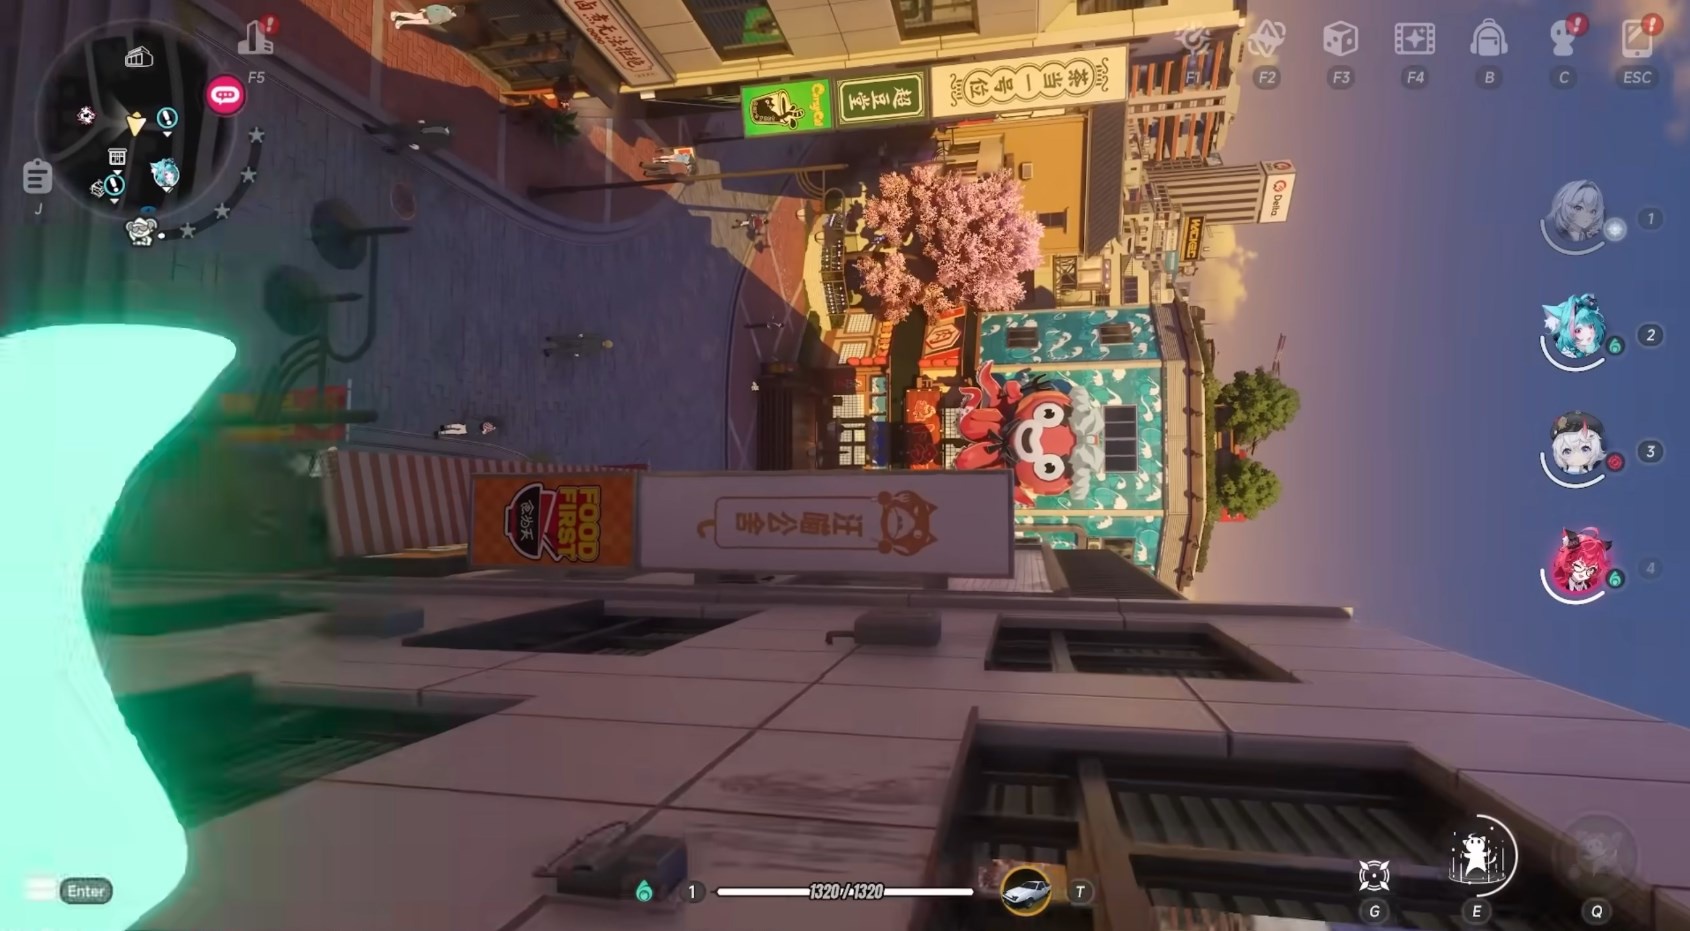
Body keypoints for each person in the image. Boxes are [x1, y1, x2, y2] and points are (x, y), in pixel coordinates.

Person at [364, 119, 454, 154]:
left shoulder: (440, 140)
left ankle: (396, 149)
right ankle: (374, 131)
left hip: (418, 137)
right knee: (396, 129)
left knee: (404, 138)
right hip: (416, 131)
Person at [390, 4, 459, 29]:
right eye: (455, 14)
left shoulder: (450, 17)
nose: (454, 15)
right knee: (414, 16)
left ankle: (401, 22)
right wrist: (426, 9)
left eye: (455, 15)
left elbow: (442, 20)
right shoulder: (445, 9)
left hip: (430, 21)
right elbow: (434, 7)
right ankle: (397, 14)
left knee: (416, 22)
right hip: (427, 14)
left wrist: (438, 22)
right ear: (454, 10)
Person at [544, 334, 614, 358]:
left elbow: (588, 335)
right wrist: (578, 354)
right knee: (564, 350)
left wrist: (582, 335)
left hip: (579, 342)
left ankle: (552, 339)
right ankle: (548, 351)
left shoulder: (598, 338)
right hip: (579, 349)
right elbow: (587, 352)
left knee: (565, 341)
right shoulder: (598, 349)